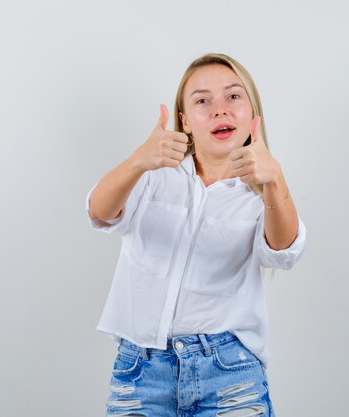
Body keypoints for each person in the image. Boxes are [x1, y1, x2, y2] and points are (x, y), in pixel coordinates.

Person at [85, 53, 307, 417]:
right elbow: (99, 211)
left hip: (229, 374)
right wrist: (139, 159)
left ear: (252, 113)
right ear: (185, 121)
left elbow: (284, 251)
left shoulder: (263, 194)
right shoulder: (154, 177)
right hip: (141, 372)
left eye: (233, 97)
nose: (220, 109)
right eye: (203, 101)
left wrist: (275, 180)